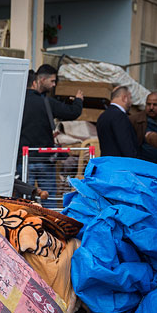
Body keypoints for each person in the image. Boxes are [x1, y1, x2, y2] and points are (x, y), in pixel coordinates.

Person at [16, 64, 84, 208]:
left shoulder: (16, 102)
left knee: (24, 201)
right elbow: (72, 112)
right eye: (52, 81)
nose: (54, 85)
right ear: (37, 81)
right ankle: (49, 227)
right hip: (45, 159)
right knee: (49, 200)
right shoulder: (46, 102)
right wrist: (78, 100)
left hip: (24, 160)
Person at [95, 85, 141, 158]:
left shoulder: (103, 116)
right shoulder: (120, 116)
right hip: (120, 165)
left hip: (107, 164)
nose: (131, 102)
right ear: (124, 98)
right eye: (130, 98)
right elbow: (126, 145)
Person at [129, 92, 157, 163]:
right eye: (148, 104)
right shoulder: (135, 120)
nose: (151, 108)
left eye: (155, 105)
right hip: (143, 162)